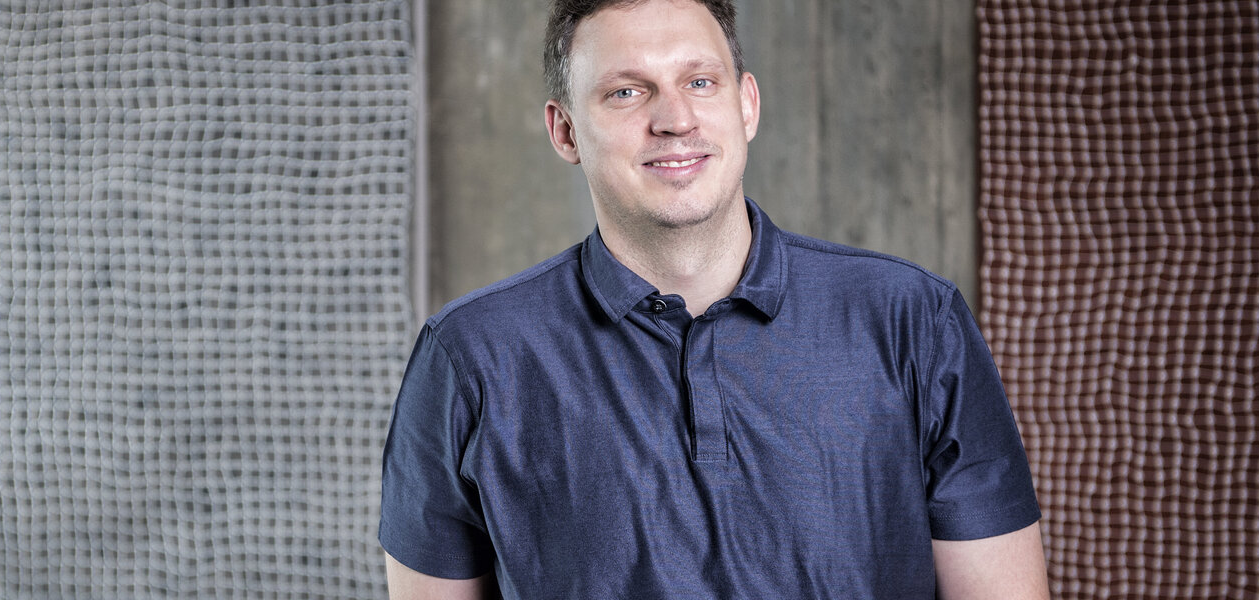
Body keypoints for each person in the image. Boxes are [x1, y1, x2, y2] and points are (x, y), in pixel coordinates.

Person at [377, 0, 1050, 597]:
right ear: (565, 131)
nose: (674, 119)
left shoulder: (914, 321)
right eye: (626, 92)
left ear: (746, 104)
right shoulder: (468, 359)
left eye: (700, 82)